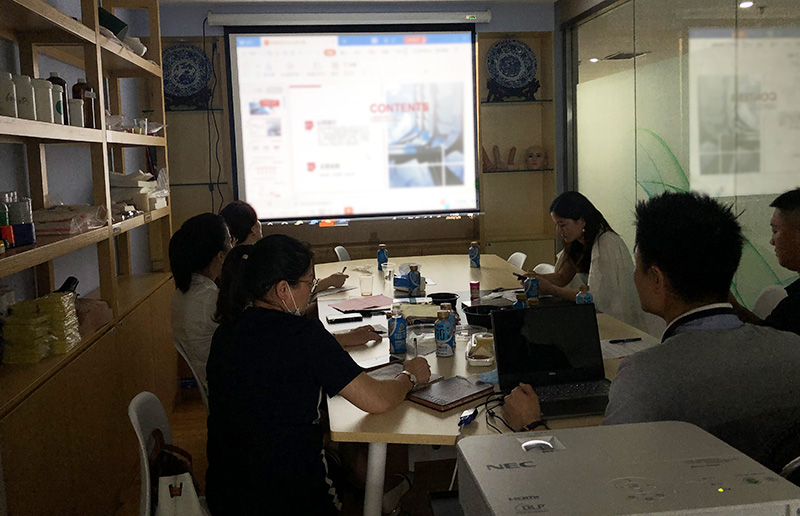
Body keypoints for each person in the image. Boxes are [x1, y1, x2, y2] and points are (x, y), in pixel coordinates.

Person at [503, 192, 800, 471]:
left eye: (637, 264)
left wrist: (532, 426)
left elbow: (596, 474)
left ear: (657, 279)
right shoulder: (793, 351)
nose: (633, 276)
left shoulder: (645, 378)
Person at [205, 234, 431, 515]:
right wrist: (409, 376)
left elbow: (278, 356)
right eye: (309, 283)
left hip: (226, 495)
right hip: (291, 498)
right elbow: (378, 400)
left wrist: (342, 339)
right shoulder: (304, 335)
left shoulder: (226, 332)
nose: (311, 291)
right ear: (283, 290)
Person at [529, 191, 650, 332]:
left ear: (581, 220)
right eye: (557, 225)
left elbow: (595, 297)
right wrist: (536, 278)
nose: (559, 231)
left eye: (562, 224)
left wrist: (551, 289)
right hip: (591, 317)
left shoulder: (606, 244)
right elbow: (562, 277)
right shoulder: (577, 242)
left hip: (616, 323)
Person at [220, 199, 347, 293]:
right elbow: (292, 295)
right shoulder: (260, 261)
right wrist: (328, 282)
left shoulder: (229, 263)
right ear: (253, 229)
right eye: (257, 220)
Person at [169, 213, 233, 394]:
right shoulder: (209, 300)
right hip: (229, 390)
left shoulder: (184, 292)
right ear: (220, 255)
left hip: (216, 386)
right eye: (230, 241)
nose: (233, 247)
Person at [730, 188, 800, 336]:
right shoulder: (791, 301)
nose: (771, 241)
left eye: (775, 231)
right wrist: (733, 306)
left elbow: (773, 341)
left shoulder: (794, 308)